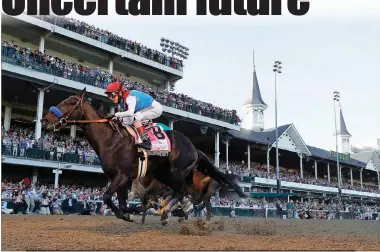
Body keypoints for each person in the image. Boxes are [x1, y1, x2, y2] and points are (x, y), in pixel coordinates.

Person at [105, 81, 163, 150]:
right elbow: (129, 120)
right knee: (130, 121)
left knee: (136, 118)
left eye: (112, 95)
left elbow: (130, 113)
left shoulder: (129, 97)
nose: (111, 98)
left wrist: (115, 114)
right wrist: (117, 119)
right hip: (145, 109)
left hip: (155, 107)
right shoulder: (121, 103)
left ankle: (147, 142)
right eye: (109, 96)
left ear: (120, 93)